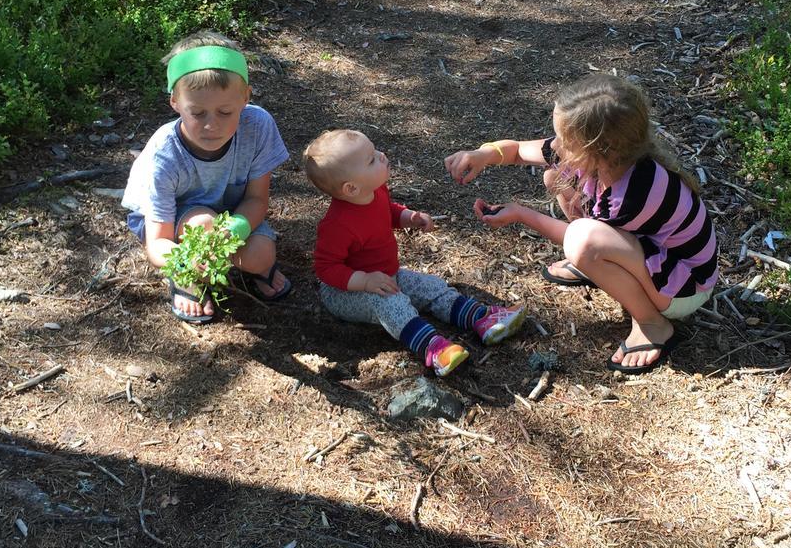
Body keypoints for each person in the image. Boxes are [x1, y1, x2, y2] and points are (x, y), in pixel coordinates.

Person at [444, 74, 717, 375]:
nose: (558, 145)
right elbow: (520, 150)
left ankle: (653, 323)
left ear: (596, 150)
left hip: (685, 288)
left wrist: (522, 214)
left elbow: (577, 238)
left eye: (566, 140)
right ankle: (597, 266)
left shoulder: (633, 193)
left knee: (583, 243)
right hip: (652, 256)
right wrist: (483, 154)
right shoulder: (615, 160)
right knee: (555, 176)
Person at [304, 129, 527, 376]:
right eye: (371, 159)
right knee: (390, 303)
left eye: (375, 150)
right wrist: (365, 281)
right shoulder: (338, 225)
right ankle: (432, 348)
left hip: (388, 275)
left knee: (431, 286)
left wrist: (409, 217)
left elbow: (386, 212)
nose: (381, 155)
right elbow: (326, 269)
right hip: (345, 293)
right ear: (351, 188)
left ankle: (481, 318)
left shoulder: (375, 191)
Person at [122, 32, 292, 324]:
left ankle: (226, 266)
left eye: (225, 111)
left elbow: (256, 199)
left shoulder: (258, 125)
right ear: (175, 102)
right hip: (170, 220)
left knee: (261, 255)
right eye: (197, 112)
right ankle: (186, 279)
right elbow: (158, 243)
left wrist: (237, 229)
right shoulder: (164, 155)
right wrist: (188, 261)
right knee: (203, 224)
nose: (211, 125)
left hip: (230, 211)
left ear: (246, 97)